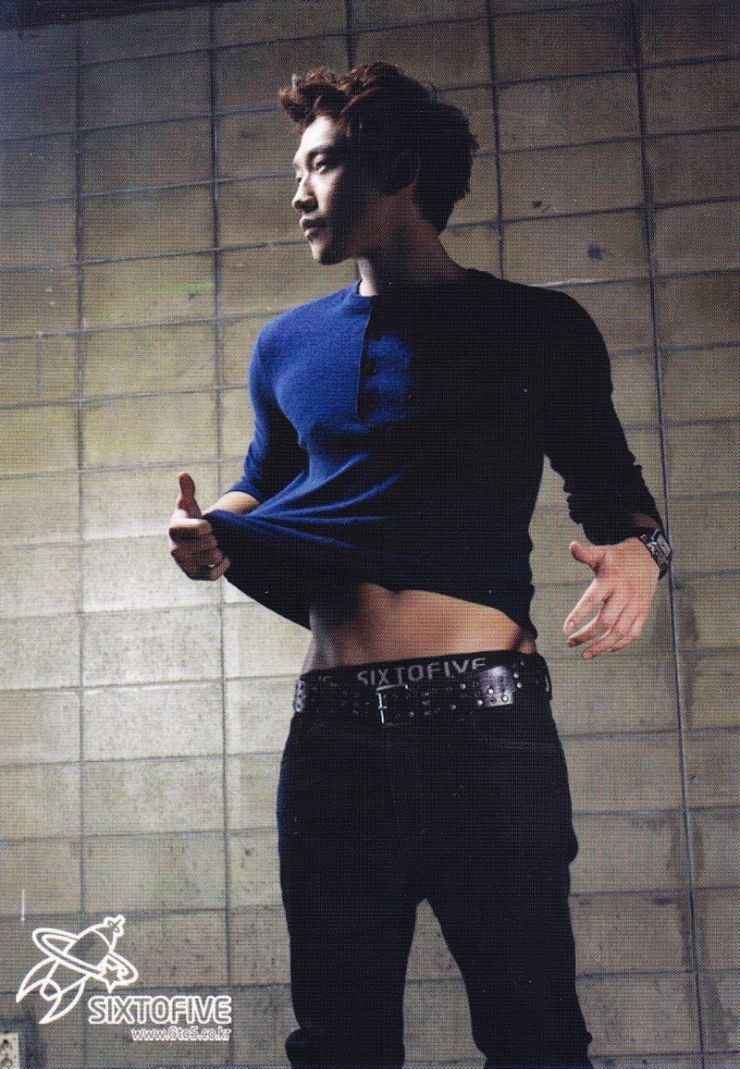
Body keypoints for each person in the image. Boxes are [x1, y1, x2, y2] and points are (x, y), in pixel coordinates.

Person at [168, 63, 672, 1069]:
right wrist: (201, 530)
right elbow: (259, 485)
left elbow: (613, 495)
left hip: (485, 730)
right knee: (338, 1044)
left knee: (534, 1039)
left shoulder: (538, 326)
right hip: (333, 738)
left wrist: (640, 558)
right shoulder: (285, 344)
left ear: (398, 169)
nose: (297, 193)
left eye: (319, 164)